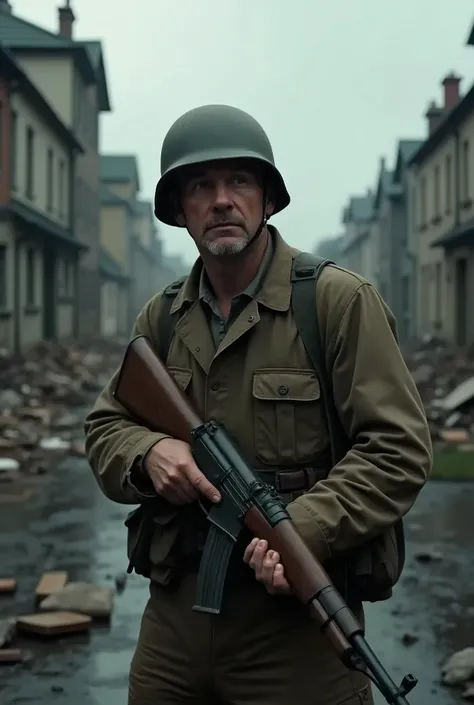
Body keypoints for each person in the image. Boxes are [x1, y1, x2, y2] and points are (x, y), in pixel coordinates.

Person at [84, 104, 433, 705]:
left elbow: (398, 449)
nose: (221, 200)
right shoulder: (163, 317)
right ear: (180, 211)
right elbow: (105, 425)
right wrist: (149, 452)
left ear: (267, 198)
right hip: (175, 624)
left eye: (239, 182)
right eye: (201, 186)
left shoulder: (336, 303)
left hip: (295, 629)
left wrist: (302, 531)